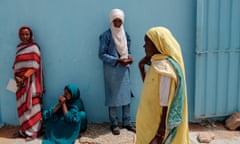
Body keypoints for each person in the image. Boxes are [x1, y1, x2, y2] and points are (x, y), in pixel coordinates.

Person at [136, 27, 189, 144]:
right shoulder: (156, 63)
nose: (144, 46)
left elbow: (165, 103)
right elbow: (149, 87)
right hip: (148, 120)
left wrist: (160, 134)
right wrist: (141, 67)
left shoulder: (165, 69)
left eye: (147, 43)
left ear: (157, 44)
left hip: (156, 124)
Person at [98, 8, 135, 135]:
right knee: (113, 97)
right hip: (112, 71)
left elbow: (128, 51)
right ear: (111, 20)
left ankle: (127, 122)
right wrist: (117, 60)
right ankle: (113, 123)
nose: (118, 22)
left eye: (120, 20)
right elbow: (101, 54)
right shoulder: (106, 35)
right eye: (115, 20)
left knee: (126, 97)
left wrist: (129, 57)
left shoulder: (126, 35)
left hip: (124, 70)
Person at [12, 26, 45, 140]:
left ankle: (34, 132)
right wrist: (16, 76)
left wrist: (24, 77)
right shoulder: (18, 48)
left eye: (27, 34)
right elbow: (15, 64)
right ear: (19, 35)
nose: (25, 36)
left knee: (32, 106)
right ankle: (24, 131)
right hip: (18, 82)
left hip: (30, 82)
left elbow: (35, 65)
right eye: (22, 34)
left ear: (31, 35)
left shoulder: (34, 47)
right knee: (21, 106)